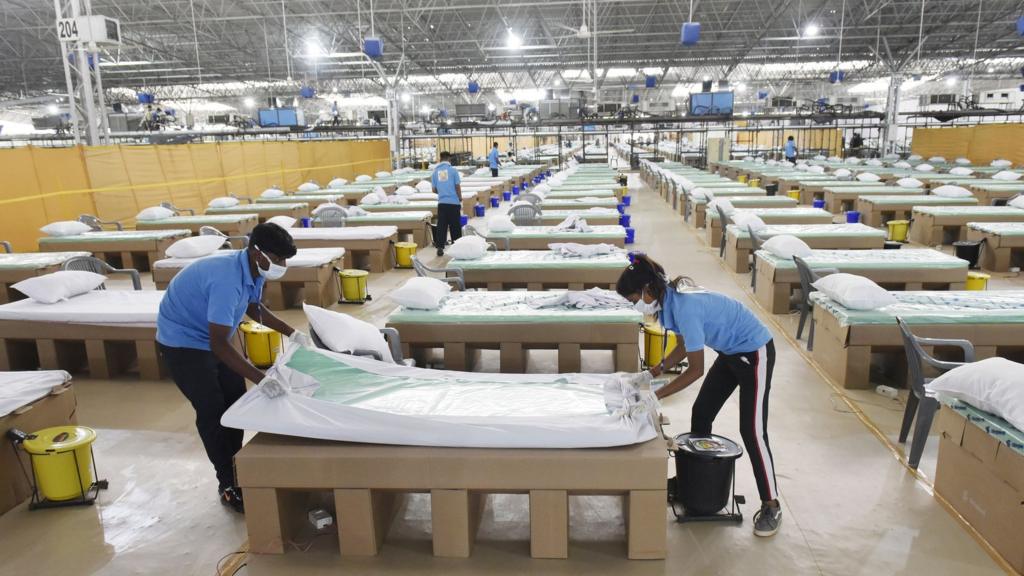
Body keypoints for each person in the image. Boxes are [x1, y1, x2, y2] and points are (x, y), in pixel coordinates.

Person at [616, 255, 782, 537]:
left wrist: (655, 397)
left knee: (752, 431)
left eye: (634, 299)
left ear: (648, 289)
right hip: (730, 352)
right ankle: (691, 484)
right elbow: (684, 347)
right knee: (702, 412)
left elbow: (695, 370)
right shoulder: (670, 302)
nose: (635, 305)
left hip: (755, 353)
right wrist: (653, 372)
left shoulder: (686, 308)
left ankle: (771, 504)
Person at [156, 223, 311, 513]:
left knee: (235, 400)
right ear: (257, 252)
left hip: (213, 336)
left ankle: (237, 466)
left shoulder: (253, 270)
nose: (282, 266)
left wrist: (291, 332)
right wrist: (260, 378)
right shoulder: (225, 279)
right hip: (183, 343)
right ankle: (227, 482)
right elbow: (218, 344)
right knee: (212, 410)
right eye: (278, 260)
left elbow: (254, 308)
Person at [431, 150, 463, 256]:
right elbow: (457, 186)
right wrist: (459, 197)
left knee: (442, 226)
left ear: (440, 158)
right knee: (455, 226)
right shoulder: (453, 171)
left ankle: (440, 247)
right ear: (449, 159)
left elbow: (434, 190)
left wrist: (443, 191)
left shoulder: (435, 172)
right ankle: (457, 247)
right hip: (454, 203)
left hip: (442, 203)